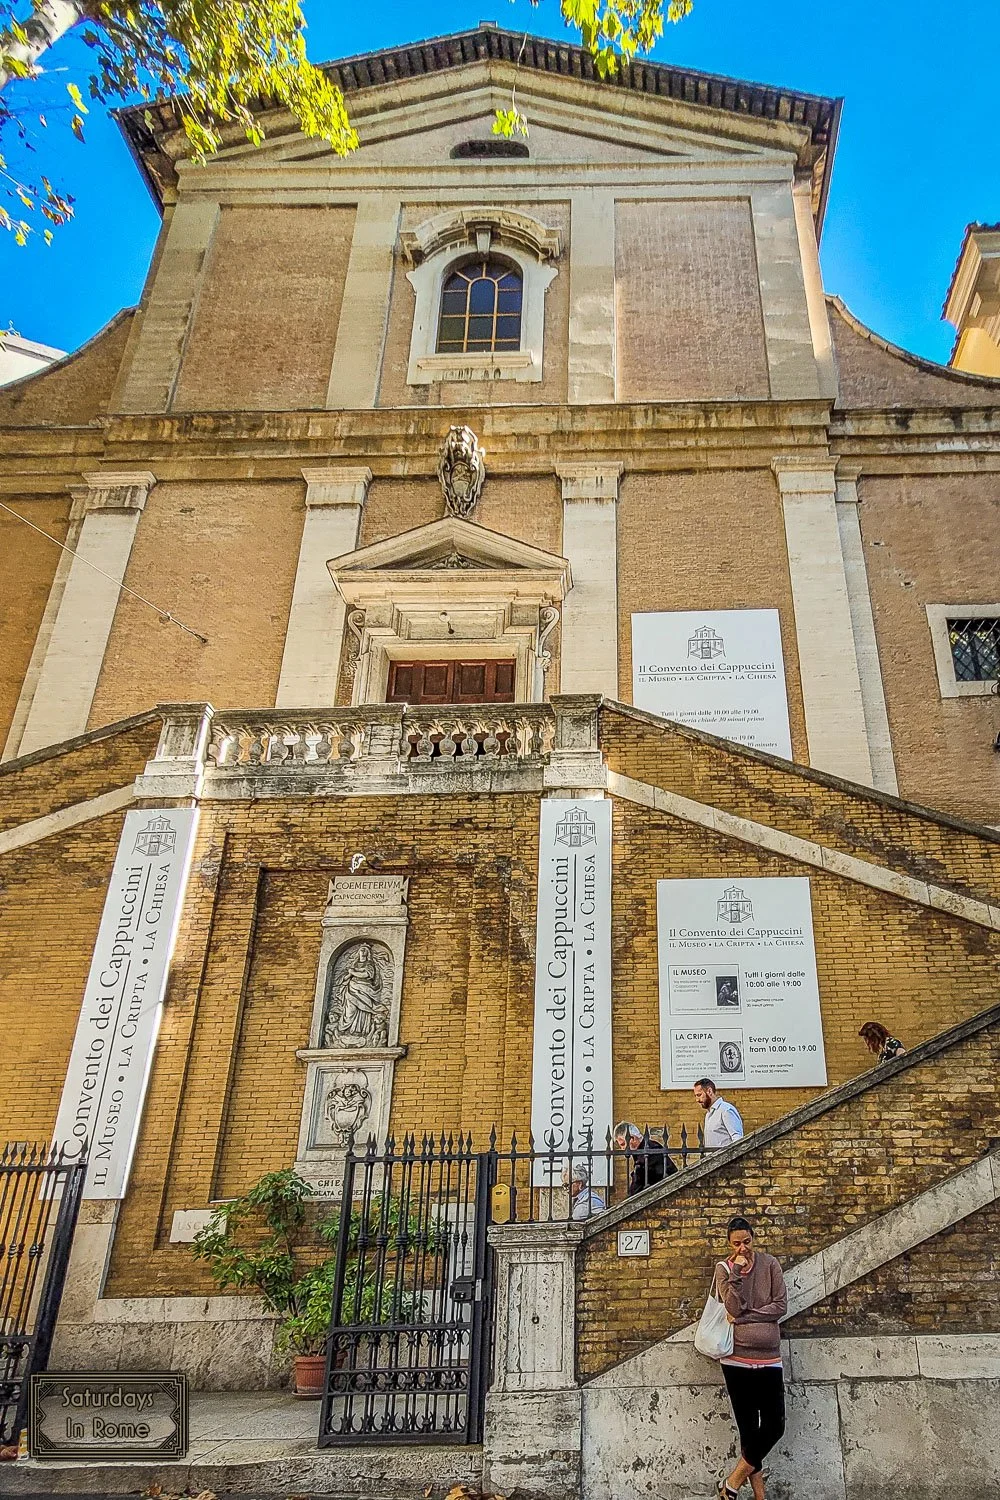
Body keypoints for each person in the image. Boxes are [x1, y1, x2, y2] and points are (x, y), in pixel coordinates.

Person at [714, 1215, 787, 1500]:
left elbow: (779, 1306)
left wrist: (744, 1319)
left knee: (775, 1425)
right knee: (749, 1432)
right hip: (737, 1361)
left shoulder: (770, 1265)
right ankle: (760, 1497)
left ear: (753, 1239)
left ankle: (731, 1483)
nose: (742, 1248)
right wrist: (736, 1276)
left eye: (746, 1242)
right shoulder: (724, 1270)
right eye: (736, 1243)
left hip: (770, 1358)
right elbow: (732, 1305)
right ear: (728, 1243)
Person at [613, 1121, 677, 1195]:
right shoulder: (650, 1147)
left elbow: (638, 1184)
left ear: (633, 1138)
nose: (622, 1148)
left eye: (623, 1144)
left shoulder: (648, 1153)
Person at [693, 1078, 744, 1148]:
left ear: (709, 1091)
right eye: (695, 1096)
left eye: (699, 1095)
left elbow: (737, 1139)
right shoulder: (708, 1114)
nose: (697, 1100)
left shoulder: (726, 1110)